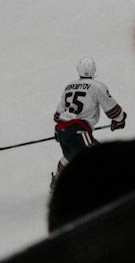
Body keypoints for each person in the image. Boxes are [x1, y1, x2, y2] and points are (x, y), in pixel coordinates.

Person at [51, 56, 127, 191]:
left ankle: (57, 183)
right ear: (94, 71)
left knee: (69, 156)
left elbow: (57, 116)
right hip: (79, 131)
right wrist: (119, 120)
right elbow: (113, 111)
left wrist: (62, 130)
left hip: (63, 130)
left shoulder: (68, 87)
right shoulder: (97, 86)